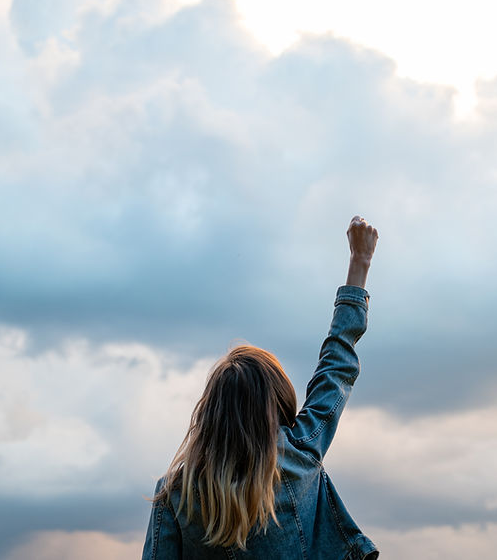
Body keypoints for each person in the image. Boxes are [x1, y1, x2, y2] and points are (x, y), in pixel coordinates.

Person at [141, 215, 380, 559]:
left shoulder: (175, 495)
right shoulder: (299, 453)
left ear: (211, 413)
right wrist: (360, 264)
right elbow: (337, 366)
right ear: (278, 402)